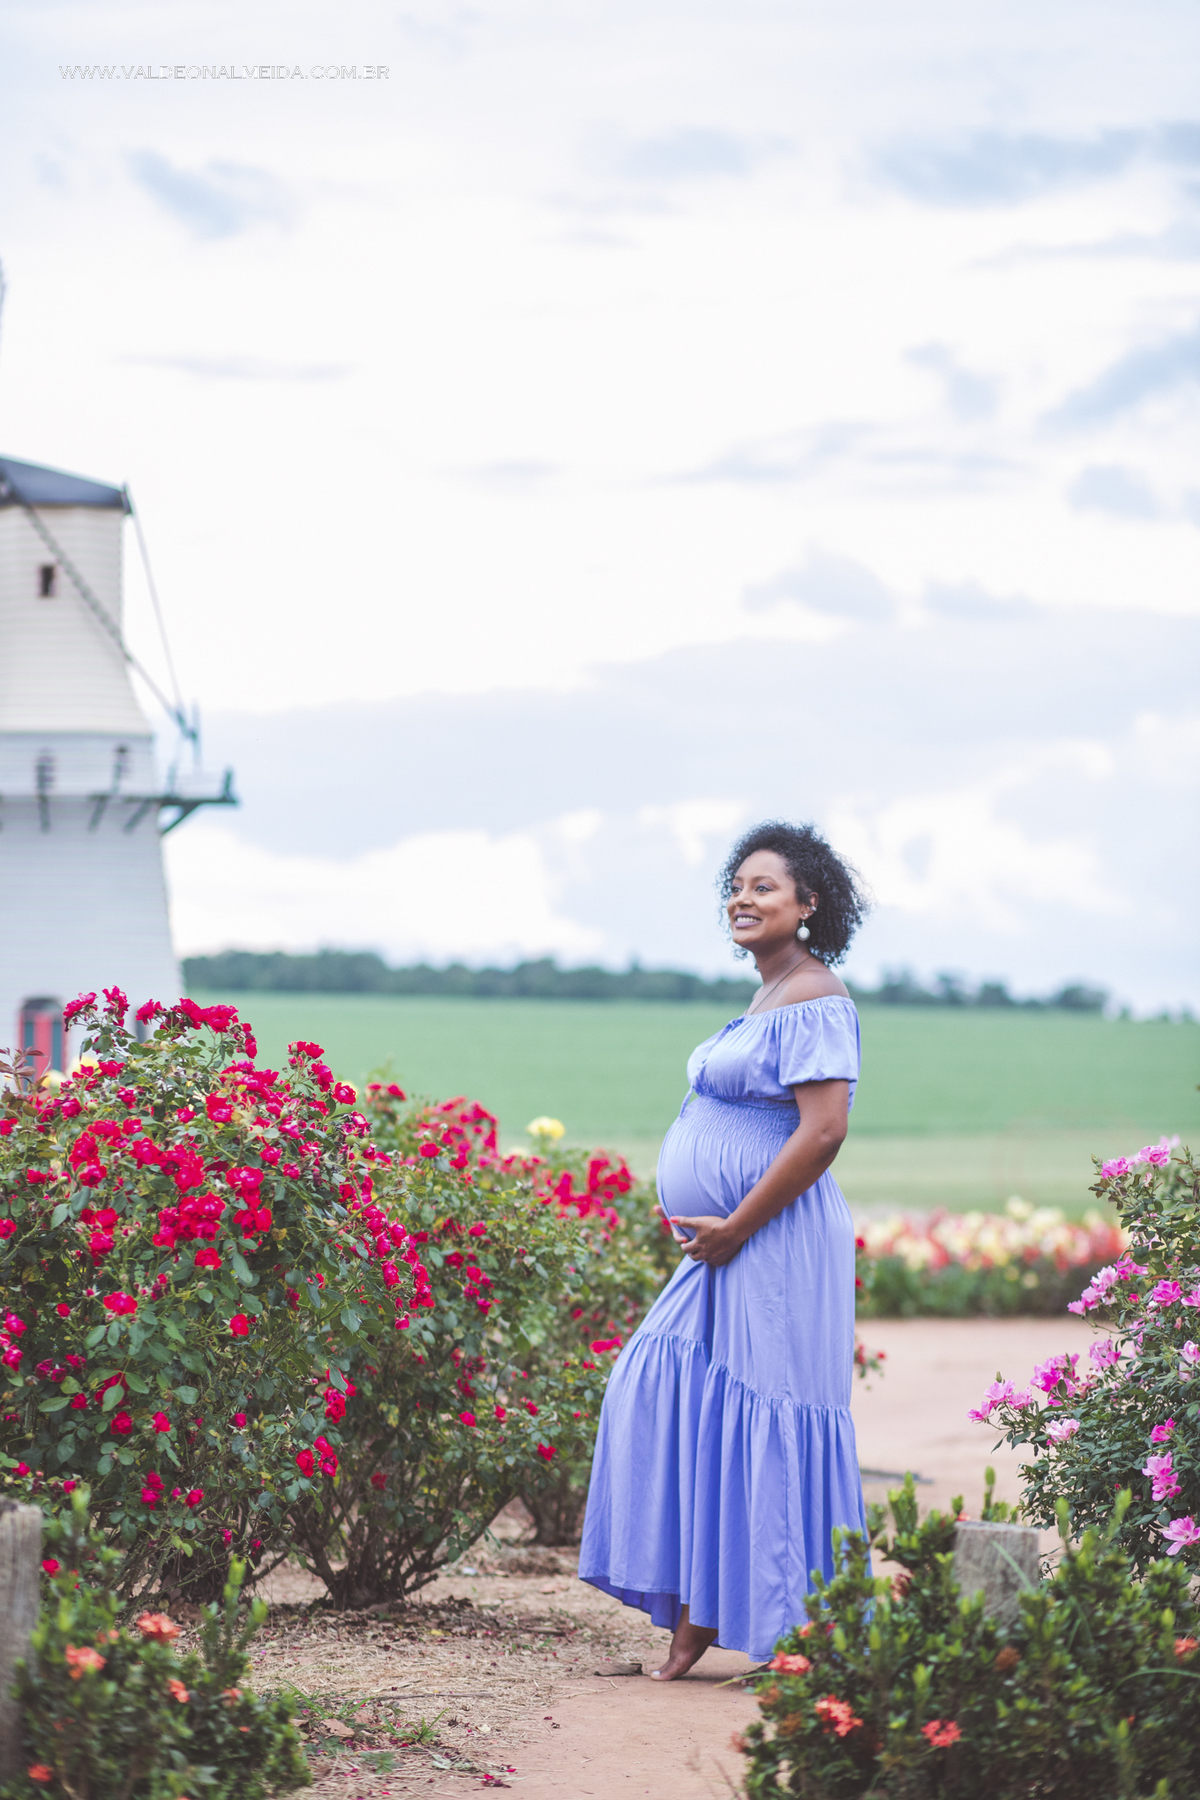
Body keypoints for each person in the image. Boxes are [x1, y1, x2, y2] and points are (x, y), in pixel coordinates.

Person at [578, 819, 869, 1678]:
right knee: (662, 1390)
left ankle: (789, 1629)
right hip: (727, 1242)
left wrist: (739, 1224)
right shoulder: (767, 993)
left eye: (765, 887)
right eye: (736, 887)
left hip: (771, 1240)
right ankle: (701, 1607)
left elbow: (822, 1133)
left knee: (765, 1412)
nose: (743, 899)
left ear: (808, 905)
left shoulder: (818, 995)